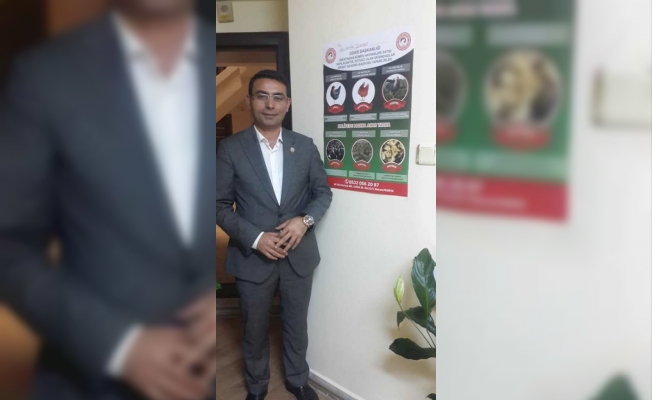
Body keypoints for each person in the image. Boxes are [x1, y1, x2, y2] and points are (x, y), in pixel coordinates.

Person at [0, 1, 216, 399]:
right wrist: (119, 345)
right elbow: (8, 244)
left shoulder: (215, 65)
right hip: (90, 381)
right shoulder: (43, 75)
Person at [216, 70, 333, 400]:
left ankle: (297, 380)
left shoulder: (304, 146)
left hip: (298, 255)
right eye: (262, 96)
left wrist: (304, 221)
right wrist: (256, 238)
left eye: (277, 97)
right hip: (252, 258)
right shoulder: (230, 148)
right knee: (253, 328)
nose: (270, 104)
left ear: (287, 103)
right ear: (249, 101)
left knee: (296, 324)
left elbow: (322, 193)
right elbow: (218, 205)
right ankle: (256, 386)